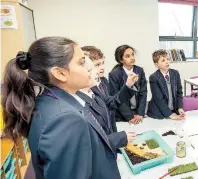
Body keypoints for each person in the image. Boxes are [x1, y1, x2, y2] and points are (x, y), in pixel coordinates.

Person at [1, 37, 138, 178]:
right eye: (82, 62)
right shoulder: (65, 119)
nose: (90, 68)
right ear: (60, 73)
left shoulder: (49, 101)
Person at [76, 55, 137, 154]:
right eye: (96, 65)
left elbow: (110, 102)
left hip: (111, 131)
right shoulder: (87, 91)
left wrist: (128, 85)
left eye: (102, 63)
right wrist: (117, 138)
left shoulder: (103, 81)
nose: (101, 68)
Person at [108, 45, 147, 124]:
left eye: (133, 54)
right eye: (127, 56)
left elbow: (143, 93)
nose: (132, 58)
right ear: (121, 60)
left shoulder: (140, 70)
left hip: (137, 112)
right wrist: (129, 116)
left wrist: (140, 113)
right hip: (122, 115)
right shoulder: (114, 74)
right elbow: (118, 97)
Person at [147, 50, 185, 120]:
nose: (167, 62)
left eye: (168, 59)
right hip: (158, 113)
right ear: (156, 64)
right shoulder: (153, 77)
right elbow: (158, 99)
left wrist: (180, 107)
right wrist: (170, 115)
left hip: (173, 110)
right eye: (163, 60)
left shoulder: (175, 73)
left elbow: (179, 92)